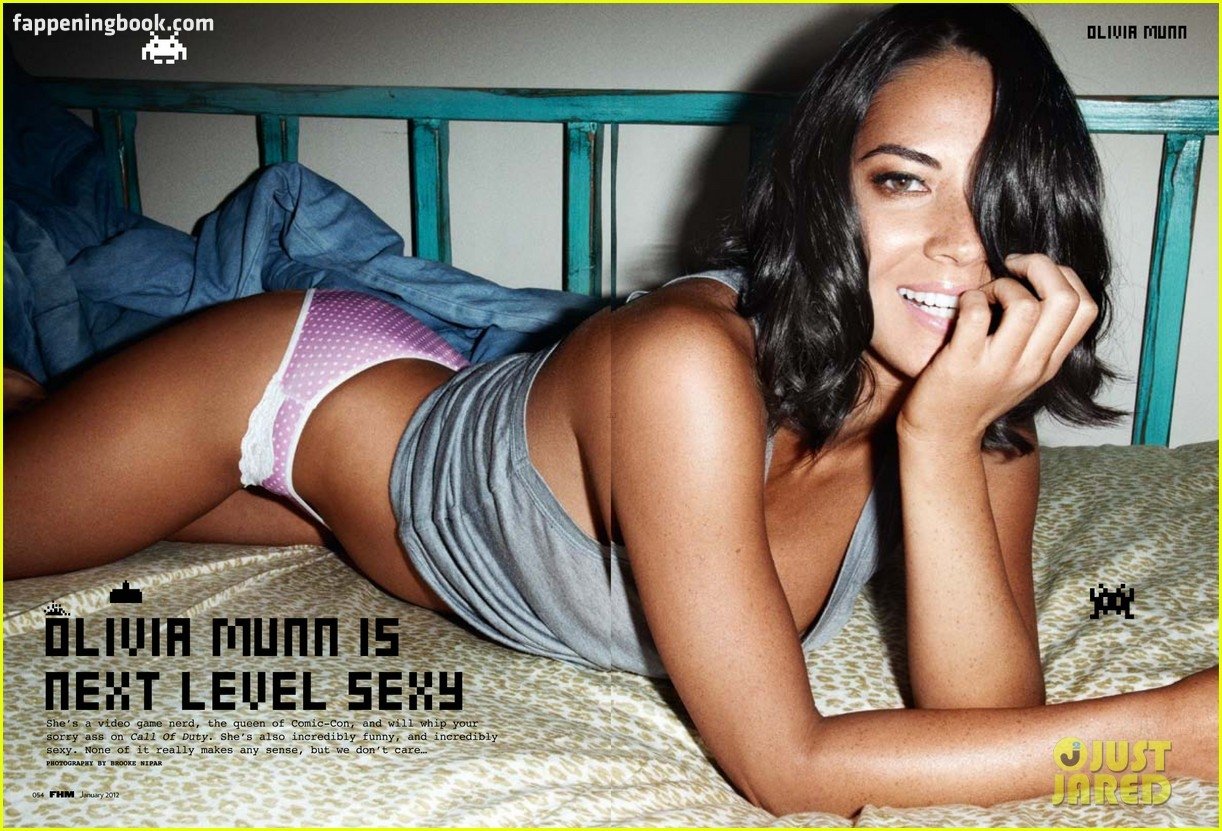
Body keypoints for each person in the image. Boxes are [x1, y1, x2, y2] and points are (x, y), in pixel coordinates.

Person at [4, 3, 1216, 818]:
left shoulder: (973, 413)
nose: (956, 244)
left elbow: (989, 724)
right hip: (288, 392)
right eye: (902, 181)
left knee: (89, 459)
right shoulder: (684, 364)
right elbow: (784, 768)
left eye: (997, 199)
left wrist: (940, 441)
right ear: (822, 194)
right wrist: (1173, 733)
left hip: (395, 509)